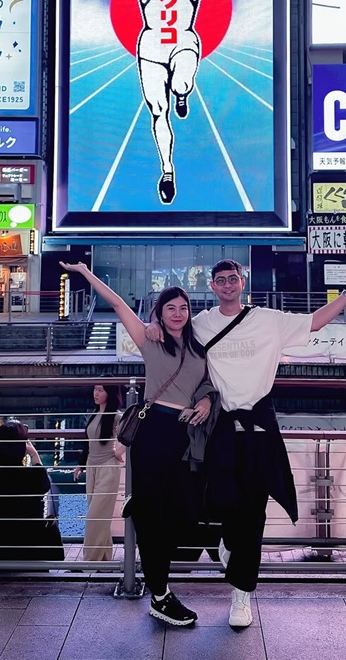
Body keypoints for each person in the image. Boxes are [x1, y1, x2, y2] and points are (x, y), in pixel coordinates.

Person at [147, 256, 346, 627]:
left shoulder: (268, 319)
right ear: (213, 286)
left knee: (253, 510)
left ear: (243, 281)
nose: (227, 284)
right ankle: (226, 542)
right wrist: (155, 323)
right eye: (220, 280)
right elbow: (173, 330)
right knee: (217, 498)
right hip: (220, 425)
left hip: (259, 425)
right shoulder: (202, 323)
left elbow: (315, 321)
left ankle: (242, 595)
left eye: (233, 278)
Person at [75, 0, 268, 205]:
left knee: (181, 83)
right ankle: (167, 170)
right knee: (157, 110)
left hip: (183, 43)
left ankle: (182, 93)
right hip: (151, 48)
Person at [60, 261, 214, 627]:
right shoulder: (151, 339)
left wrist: (207, 399)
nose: (177, 314)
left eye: (183, 308)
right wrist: (85, 273)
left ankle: (141, 507)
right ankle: (160, 594)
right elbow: (117, 304)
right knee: (155, 516)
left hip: (184, 433)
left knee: (184, 510)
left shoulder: (198, 346)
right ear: (159, 312)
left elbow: (208, 381)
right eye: (170, 308)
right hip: (153, 430)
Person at [0, 421, 63, 563]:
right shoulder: (34, 478)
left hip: (3, 549)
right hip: (34, 549)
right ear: (22, 449)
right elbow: (44, 485)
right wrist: (34, 455)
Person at [73, 384, 125, 562]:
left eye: (101, 390)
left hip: (108, 467)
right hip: (91, 466)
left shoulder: (116, 416)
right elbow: (89, 443)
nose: (96, 393)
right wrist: (80, 465)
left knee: (94, 517)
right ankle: (104, 559)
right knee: (99, 517)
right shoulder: (94, 414)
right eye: (95, 389)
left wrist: (118, 452)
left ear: (110, 393)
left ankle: (89, 561)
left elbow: (133, 434)